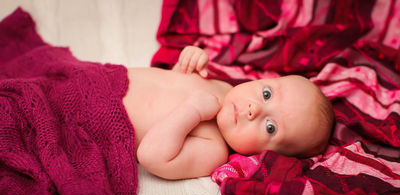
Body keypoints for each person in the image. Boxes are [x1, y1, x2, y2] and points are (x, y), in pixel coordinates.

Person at [123, 46, 334, 180]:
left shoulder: (213, 150)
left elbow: (151, 156)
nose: (255, 109)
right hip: (102, 75)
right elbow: (168, 87)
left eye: (271, 127)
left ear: (265, 154)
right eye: (267, 94)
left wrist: (193, 111)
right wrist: (185, 64)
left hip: (98, 117)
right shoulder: (224, 86)